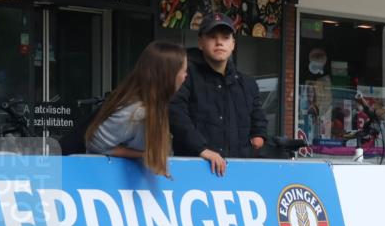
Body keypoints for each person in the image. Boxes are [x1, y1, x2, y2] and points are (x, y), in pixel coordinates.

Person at [170, 12, 268, 176]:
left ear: (233, 44)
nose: (219, 42)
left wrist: (259, 134)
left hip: (238, 173)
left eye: (225, 37)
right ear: (201, 42)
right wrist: (202, 149)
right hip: (194, 170)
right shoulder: (184, 77)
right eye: (212, 37)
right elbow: (175, 115)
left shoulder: (247, 83)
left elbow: (258, 117)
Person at [84, 42, 188, 176]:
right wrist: (144, 155)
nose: (185, 75)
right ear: (169, 74)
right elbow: (95, 144)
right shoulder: (135, 111)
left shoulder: (156, 105)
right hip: (106, 178)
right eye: (183, 70)